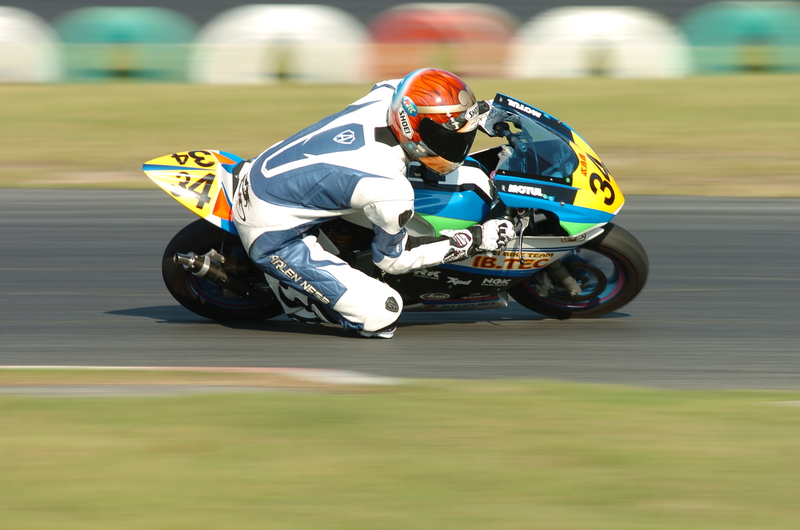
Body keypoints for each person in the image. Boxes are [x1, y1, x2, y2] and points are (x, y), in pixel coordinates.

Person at [232, 68, 513, 339]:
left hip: (264, 167)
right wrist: (473, 239)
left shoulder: (390, 94)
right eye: (452, 139)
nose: (460, 144)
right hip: (270, 229)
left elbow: (419, 97)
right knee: (384, 312)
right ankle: (302, 300)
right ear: (418, 134)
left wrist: (475, 113)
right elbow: (394, 260)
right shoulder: (389, 187)